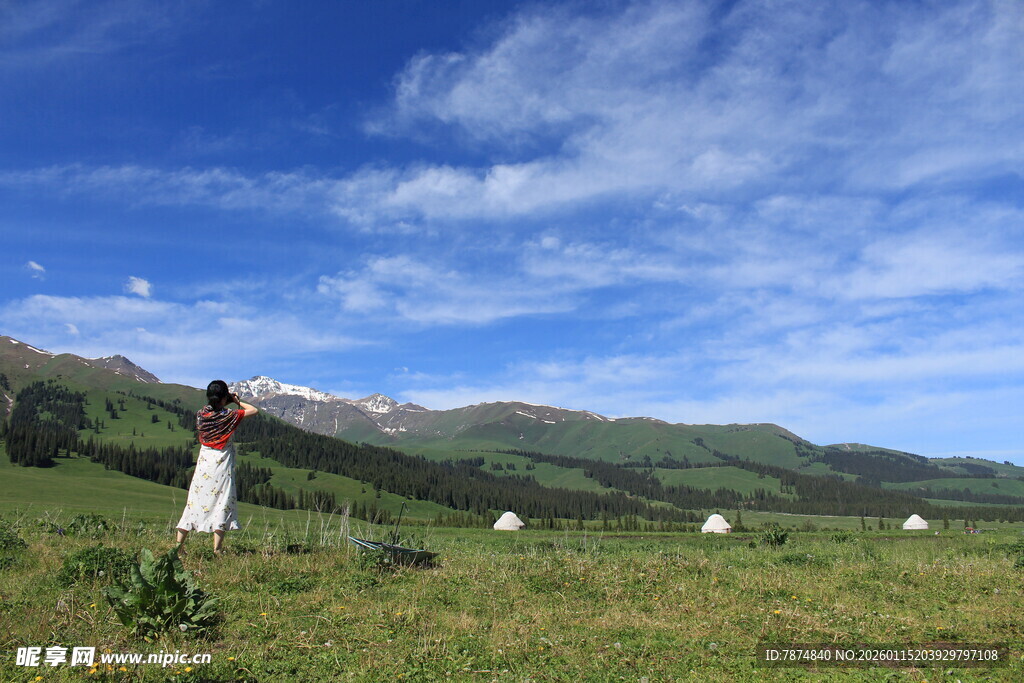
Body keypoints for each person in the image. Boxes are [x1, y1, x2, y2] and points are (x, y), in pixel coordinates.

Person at [175, 380, 258, 556]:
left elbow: (213, 409)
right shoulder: (228, 415)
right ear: (224, 397)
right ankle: (217, 549)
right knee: (222, 503)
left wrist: (224, 400)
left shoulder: (201, 414)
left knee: (193, 503)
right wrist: (235, 400)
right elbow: (253, 410)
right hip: (222, 463)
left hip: (204, 463)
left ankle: (178, 546)